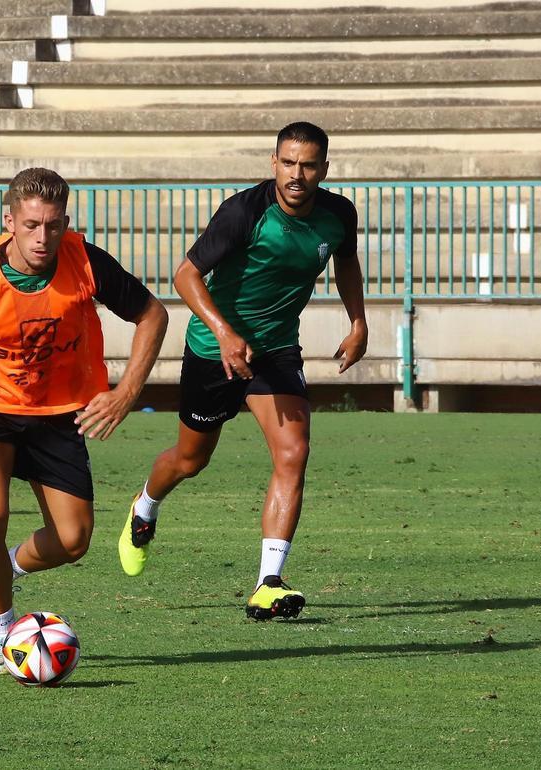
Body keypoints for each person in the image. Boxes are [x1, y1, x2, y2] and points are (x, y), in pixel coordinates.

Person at [0, 167, 168, 674]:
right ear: (9, 221)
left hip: (59, 415)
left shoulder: (85, 261)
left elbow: (153, 314)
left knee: (73, 541)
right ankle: (2, 638)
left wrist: (126, 392)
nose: (44, 237)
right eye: (32, 225)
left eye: (55, 225)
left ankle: (9, 567)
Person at [117, 122, 368, 622]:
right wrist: (226, 334)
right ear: (273, 163)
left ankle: (268, 582)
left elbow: (347, 262)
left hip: (275, 352)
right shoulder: (243, 212)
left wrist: (358, 321)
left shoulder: (339, 213)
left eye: (309, 165)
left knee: (294, 451)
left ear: (324, 168)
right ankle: (144, 506)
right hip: (214, 350)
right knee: (191, 460)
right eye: (289, 163)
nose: (298, 174)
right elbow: (185, 275)